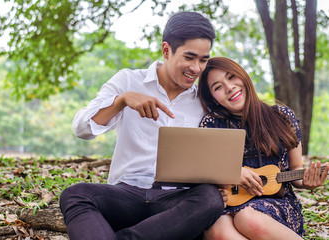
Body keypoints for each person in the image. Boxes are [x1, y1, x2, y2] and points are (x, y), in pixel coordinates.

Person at [59, 12, 227, 240]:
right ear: (166, 50)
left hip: (174, 202)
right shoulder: (128, 81)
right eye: (189, 57)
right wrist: (121, 101)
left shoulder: (206, 100)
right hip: (125, 194)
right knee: (75, 194)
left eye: (203, 60)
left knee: (210, 198)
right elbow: (82, 129)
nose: (196, 68)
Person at [198, 57, 329, 240]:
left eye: (231, 77)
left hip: (277, 204)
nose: (229, 88)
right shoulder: (211, 125)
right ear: (212, 98)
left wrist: (308, 182)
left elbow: (296, 170)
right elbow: (202, 169)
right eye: (217, 87)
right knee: (216, 229)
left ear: (244, 77)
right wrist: (231, 173)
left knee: (247, 217)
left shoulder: (282, 117)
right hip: (230, 204)